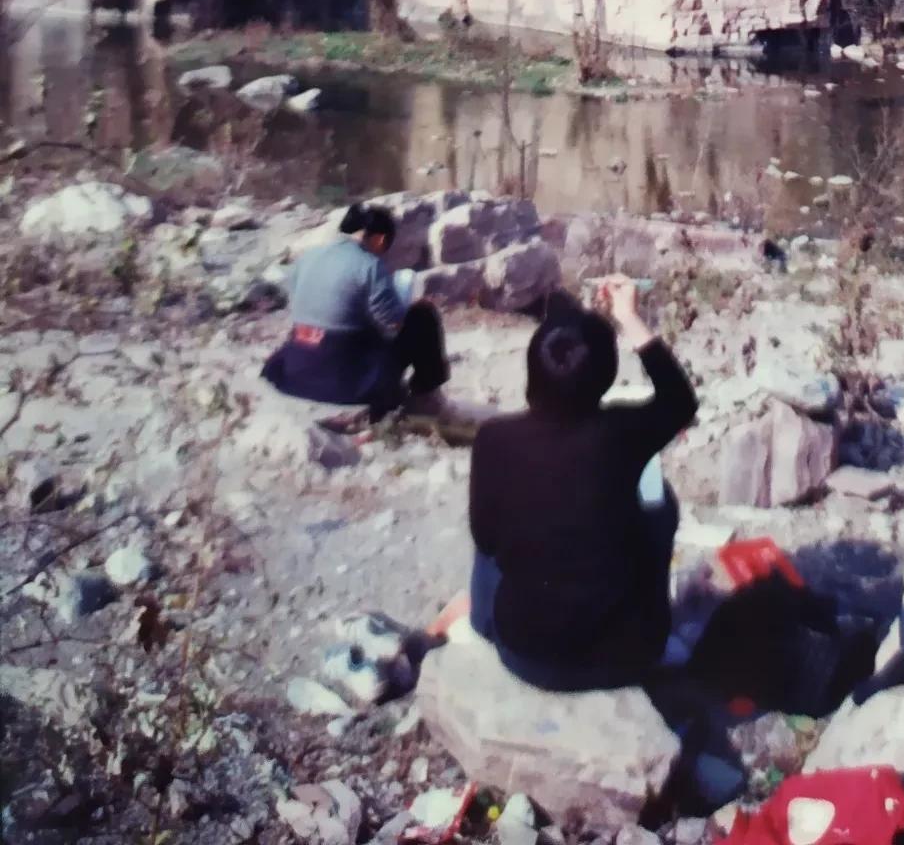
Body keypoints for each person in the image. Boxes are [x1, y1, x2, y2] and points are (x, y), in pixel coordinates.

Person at [468, 275, 698, 691]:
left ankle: (483, 625)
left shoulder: (494, 439)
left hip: (525, 654)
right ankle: (651, 613)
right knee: (659, 506)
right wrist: (628, 318)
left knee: (491, 535)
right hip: (626, 658)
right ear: (606, 374)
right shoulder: (624, 433)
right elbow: (680, 400)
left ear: (532, 372)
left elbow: (487, 540)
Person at [262, 202, 448, 420]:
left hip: (298, 368)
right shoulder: (369, 265)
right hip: (344, 377)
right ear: (379, 239)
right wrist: (406, 304)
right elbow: (393, 323)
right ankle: (425, 394)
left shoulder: (308, 257)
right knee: (423, 316)